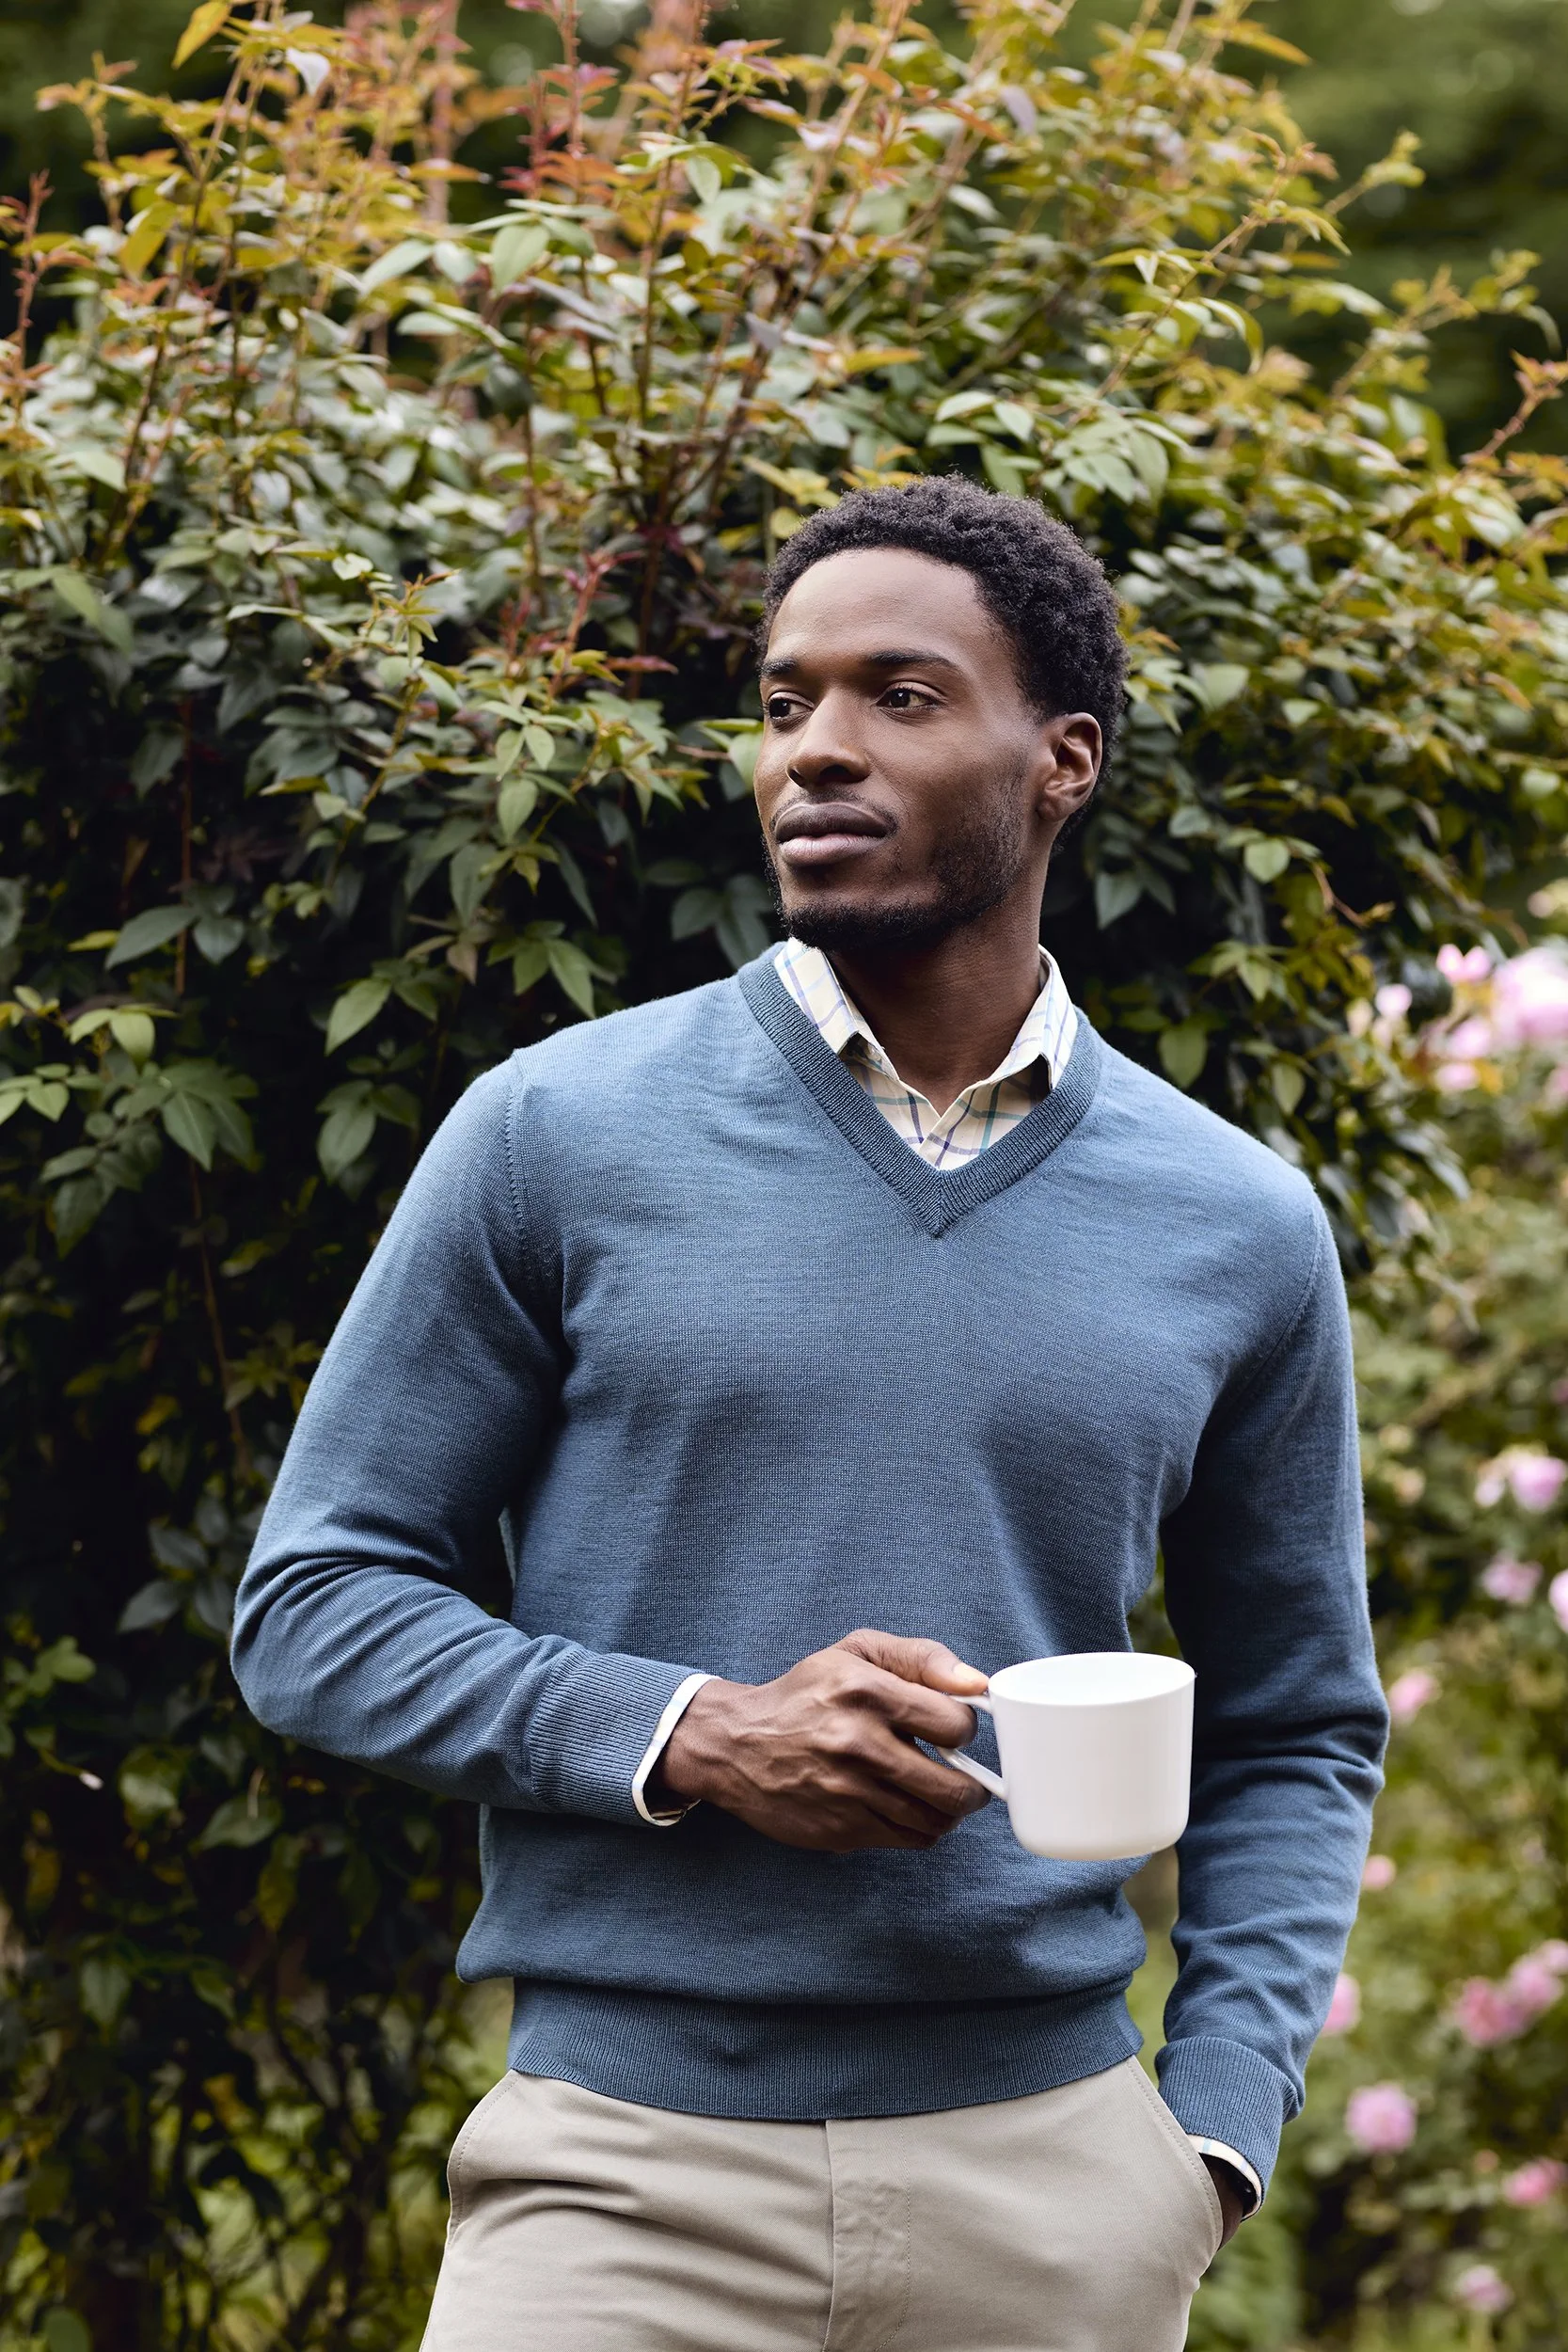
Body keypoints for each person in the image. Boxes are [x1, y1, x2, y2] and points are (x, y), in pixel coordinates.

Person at [232, 477, 1388, 2351]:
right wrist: (696, 1726)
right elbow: (314, 1605)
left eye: (898, 698)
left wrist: (1208, 2135)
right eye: (783, 704)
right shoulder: (557, 1133)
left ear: (1061, 759)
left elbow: (1297, 1723)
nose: (814, 754)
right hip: (617, 2184)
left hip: (1053, 2193)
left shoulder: (1235, 1223)